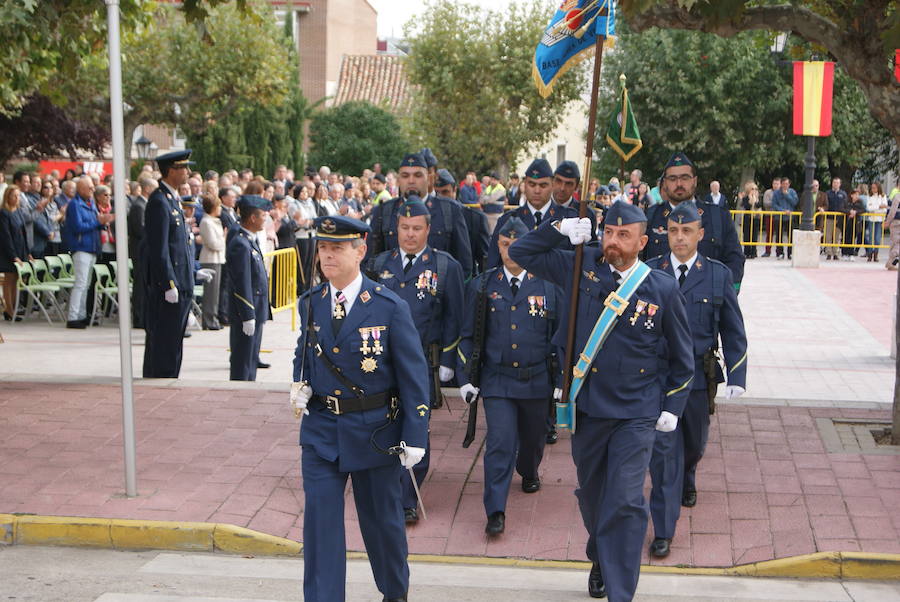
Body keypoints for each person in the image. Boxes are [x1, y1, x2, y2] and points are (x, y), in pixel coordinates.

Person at [509, 202, 693, 601]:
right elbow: (521, 253)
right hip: (588, 408)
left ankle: (620, 592)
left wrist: (671, 408)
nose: (612, 240)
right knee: (591, 496)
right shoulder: (580, 264)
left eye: (623, 235)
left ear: (642, 242)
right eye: (608, 232)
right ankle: (601, 554)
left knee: (626, 501)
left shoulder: (660, 287)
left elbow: (683, 357)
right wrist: (559, 229)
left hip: (636, 413)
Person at [289, 215, 430, 602]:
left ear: (360, 251)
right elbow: (306, 353)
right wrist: (299, 384)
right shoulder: (313, 303)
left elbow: (414, 375)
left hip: (374, 431)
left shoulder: (388, 307)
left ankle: (394, 591)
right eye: (323, 248)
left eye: (337, 248)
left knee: (381, 522)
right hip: (321, 430)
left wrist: (415, 434)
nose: (327, 255)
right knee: (321, 524)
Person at [645, 203, 747, 559]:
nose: (679, 238)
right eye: (673, 231)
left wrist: (738, 374)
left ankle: (689, 474)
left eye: (687, 231)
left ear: (700, 234)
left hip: (699, 381)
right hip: (659, 379)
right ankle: (664, 529)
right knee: (664, 456)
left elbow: (734, 329)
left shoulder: (717, 275)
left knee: (695, 446)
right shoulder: (650, 272)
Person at [458, 217, 561, 535]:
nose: (511, 250)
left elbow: (561, 336)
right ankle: (495, 510)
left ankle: (529, 470)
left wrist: (560, 382)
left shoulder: (548, 285)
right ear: (497, 245)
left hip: (537, 379)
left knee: (532, 440)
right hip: (498, 379)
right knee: (500, 442)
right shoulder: (482, 285)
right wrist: (466, 377)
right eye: (505, 244)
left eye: (518, 244)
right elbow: (467, 335)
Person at [369, 198, 464, 524]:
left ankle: (408, 498)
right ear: (396, 228)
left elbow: (455, 317)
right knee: (381, 425)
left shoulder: (444, 266)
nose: (410, 234)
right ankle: (383, 488)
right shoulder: (379, 264)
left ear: (428, 230)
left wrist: (450, 357)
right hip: (379, 361)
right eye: (404, 228)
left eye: (417, 229)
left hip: (421, 362)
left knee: (416, 427)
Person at [643, 152, 745, 290]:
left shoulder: (717, 216)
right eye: (672, 178)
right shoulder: (650, 216)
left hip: (707, 302)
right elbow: (639, 261)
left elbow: (735, 259)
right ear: (665, 183)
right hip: (661, 301)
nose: (679, 184)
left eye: (685, 177)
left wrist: (725, 294)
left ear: (695, 181)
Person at [366, 152, 472, 278]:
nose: (411, 181)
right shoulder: (384, 211)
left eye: (418, 175)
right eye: (405, 176)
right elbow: (370, 261)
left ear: (428, 178)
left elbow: (464, 265)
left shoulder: (449, 210)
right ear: (398, 180)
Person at [142, 149, 196, 378]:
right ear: (171, 171)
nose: (188, 172)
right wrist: (168, 283)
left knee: (174, 342)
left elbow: (179, 246)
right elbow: (159, 249)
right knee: (164, 342)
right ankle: (160, 382)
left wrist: (192, 271)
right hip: (169, 287)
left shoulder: (171, 199)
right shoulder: (159, 202)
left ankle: (168, 378)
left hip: (181, 280)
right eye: (184, 167)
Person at [486, 159, 585, 270]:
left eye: (543, 185)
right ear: (524, 185)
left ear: (552, 185)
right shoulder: (507, 220)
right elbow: (493, 266)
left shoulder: (568, 218)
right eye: (532, 184)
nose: (537, 191)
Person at [227, 195, 271, 381]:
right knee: (242, 362)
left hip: (256, 308)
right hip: (247, 312)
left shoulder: (249, 240)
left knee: (251, 359)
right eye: (263, 215)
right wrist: (248, 315)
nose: (265, 219)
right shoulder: (240, 243)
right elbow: (242, 283)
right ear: (252, 218)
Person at [63, 176, 113, 329]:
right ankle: (73, 316)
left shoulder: (89, 203)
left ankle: (81, 314)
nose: (92, 190)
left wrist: (102, 222)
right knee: (81, 283)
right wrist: (98, 222)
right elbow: (78, 226)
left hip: (91, 247)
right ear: (80, 189)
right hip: (81, 247)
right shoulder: (75, 204)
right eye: (89, 188)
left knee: (86, 284)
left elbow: (92, 223)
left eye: (92, 187)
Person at [435, 168, 489, 276]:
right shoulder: (424, 218)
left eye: (445, 192)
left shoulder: (474, 219)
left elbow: (484, 261)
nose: (440, 197)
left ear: (455, 190)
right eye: (437, 193)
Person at [0, 186, 29, 321]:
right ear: (7, 197)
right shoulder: (4, 213)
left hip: (20, 250)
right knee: (9, 280)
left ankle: (13, 308)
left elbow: (23, 234)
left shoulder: (18, 212)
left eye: (18, 196)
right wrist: (13, 256)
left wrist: (27, 253)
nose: (16, 199)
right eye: (14, 196)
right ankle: (9, 310)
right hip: (8, 253)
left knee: (17, 281)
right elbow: (6, 237)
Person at [199, 195, 226, 330]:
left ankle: (213, 318)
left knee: (215, 292)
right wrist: (224, 239)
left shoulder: (215, 221)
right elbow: (213, 243)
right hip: (210, 259)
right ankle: (209, 320)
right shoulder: (206, 222)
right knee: (211, 292)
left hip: (217, 258)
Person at [771, 177, 799, 260]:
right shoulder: (776, 193)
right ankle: (780, 253)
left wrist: (787, 195)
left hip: (790, 217)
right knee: (779, 236)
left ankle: (790, 253)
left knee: (790, 236)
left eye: (787, 184)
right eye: (783, 184)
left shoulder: (792, 192)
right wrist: (783, 210)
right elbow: (774, 205)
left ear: (789, 184)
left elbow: (795, 202)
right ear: (781, 184)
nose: (785, 185)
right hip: (779, 217)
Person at [824, 177, 848, 261]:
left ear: (840, 184)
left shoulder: (843, 194)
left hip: (839, 218)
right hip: (829, 217)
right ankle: (829, 253)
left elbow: (845, 205)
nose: (835, 184)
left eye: (837, 183)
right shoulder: (827, 193)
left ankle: (836, 253)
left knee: (837, 237)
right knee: (828, 236)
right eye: (834, 182)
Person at [865, 182, 888, 262]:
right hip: (872, 219)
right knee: (871, 237)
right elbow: (868, 208)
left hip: (880, 219)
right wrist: (879, 207)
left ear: (878, 188)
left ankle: (876, 254)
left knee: (877, 238)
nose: (873, 189)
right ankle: (870, 254)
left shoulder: (882, 196)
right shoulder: (869, 196)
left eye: (875, 188)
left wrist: (876, 208)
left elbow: (885, 208)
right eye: (872, 188)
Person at [739, 181, 761, 258]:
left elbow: (759, 206)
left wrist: (755, 200)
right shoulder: (745, 198)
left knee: (754, 235)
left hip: (756, 218)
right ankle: (747, 252)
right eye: (752, 188)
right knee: (747, 235)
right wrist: (751, 201)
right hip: (747, 218)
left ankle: (753, 252)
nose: (754, 190)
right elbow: (746, 206)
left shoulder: (758, 198)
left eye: (755, 189)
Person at [843, 188, 865, 261]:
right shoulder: (847, 201)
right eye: (855, 194)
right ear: (852, 195)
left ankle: (851, 253)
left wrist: (855, 212)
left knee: (853, 237)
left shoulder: (860, 202)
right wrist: (849, 212)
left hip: (856, 222)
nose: (857, 196)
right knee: (846, 237)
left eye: (858, 194)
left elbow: (863, 210)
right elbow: (842, 208)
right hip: (847, 221)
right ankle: (845, 253)